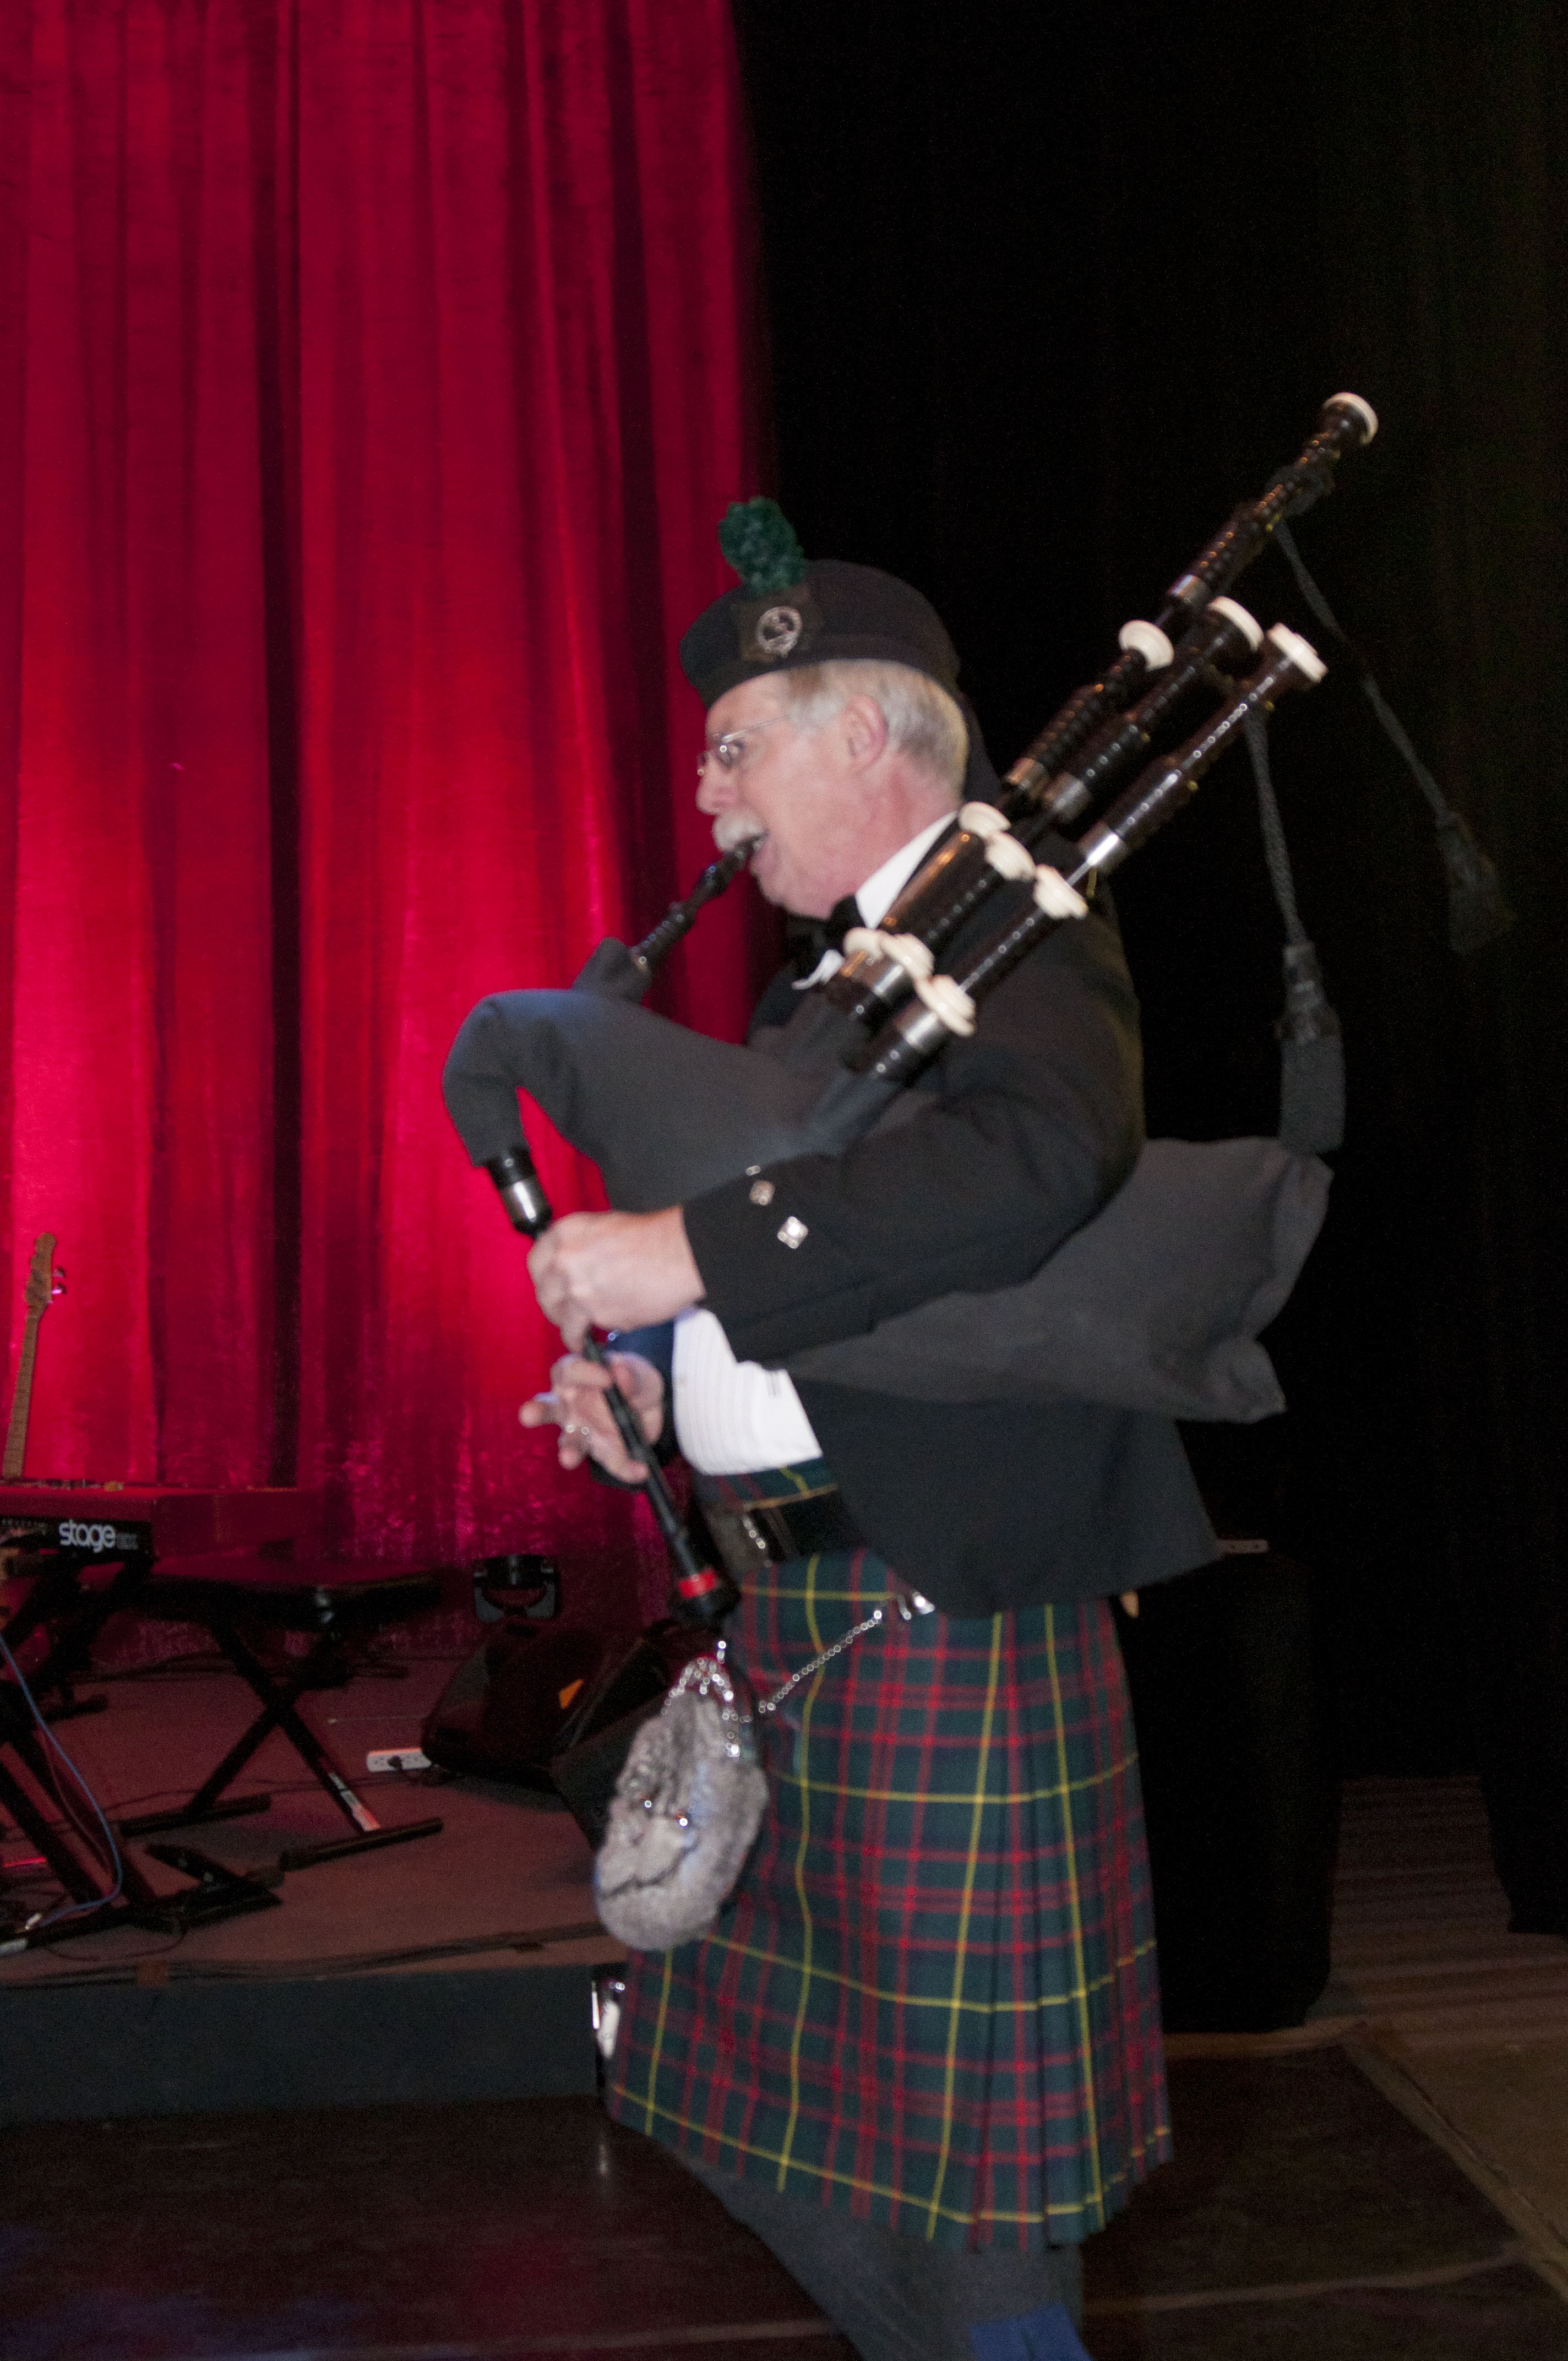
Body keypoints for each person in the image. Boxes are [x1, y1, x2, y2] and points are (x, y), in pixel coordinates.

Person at [520, 544, 1216, 2361]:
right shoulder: (826, 999)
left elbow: (1033, 1164)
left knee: (973, 2188)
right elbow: (814, 1279)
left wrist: (679, 1256)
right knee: (755, 2116)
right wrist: (659, 1387)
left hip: (942, 1627)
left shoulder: (1033, 937)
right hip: (798, 1623)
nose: (706, 793)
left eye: (738, 747)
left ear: (872, 743)